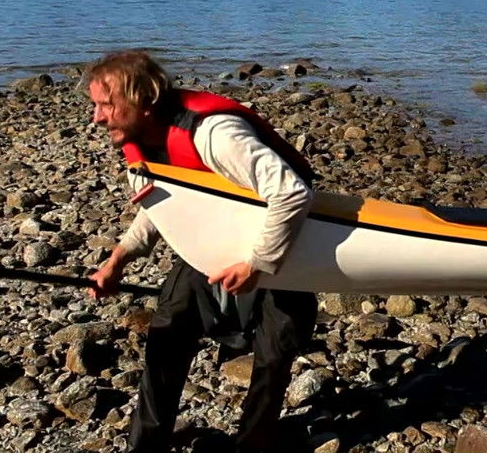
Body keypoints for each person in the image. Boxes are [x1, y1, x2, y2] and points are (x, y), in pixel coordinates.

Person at [83, 50, 318, 453]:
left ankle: (252, 444)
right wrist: (116, 261)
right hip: (213, 244)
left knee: (274, 351)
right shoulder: (147, 144)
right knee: (165, 337)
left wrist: (258, 263)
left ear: (145, 101)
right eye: (95, 105)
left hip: (281, 243)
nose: (97, 118)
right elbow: (162, 206)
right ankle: (146, 447)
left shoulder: (216, 135)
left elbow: (292, 193)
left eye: (108, 105)